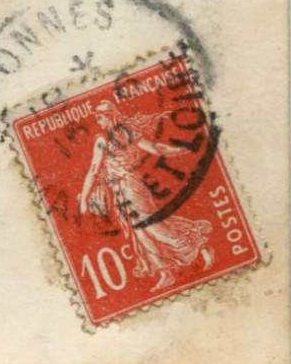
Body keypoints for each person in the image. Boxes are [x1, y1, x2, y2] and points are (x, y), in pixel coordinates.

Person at [78, 99, 216, 292]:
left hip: (130, 186)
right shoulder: (125, 134)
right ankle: (165, 272)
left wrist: (84, 199)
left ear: (108, 117)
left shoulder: (111, 138)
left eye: (99, 117)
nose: (97, 122)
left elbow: (95, 170)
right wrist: (181, 150)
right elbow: (155, 149)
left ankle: (199, 245)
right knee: (140, 232)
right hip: (121, 190)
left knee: (153, 226)